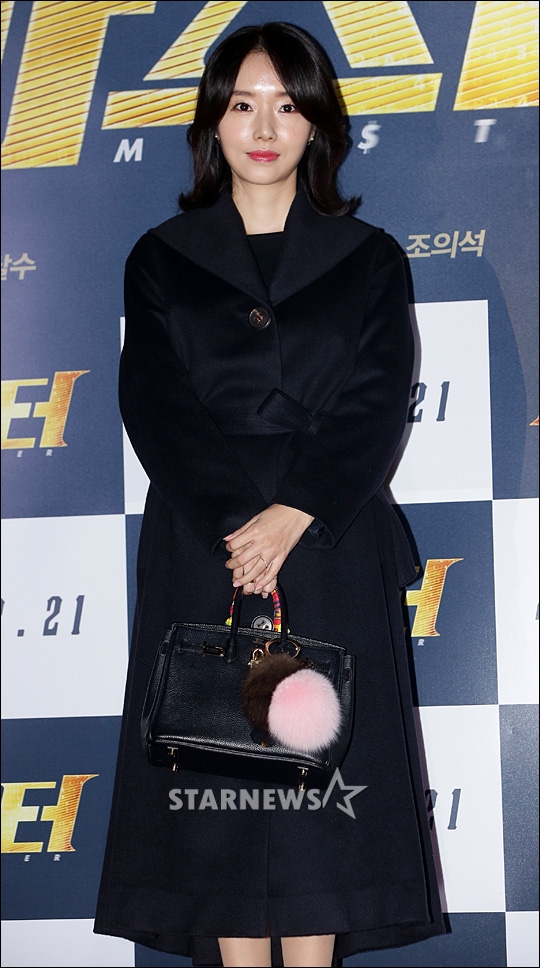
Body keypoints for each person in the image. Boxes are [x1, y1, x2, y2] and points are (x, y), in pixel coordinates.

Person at [94, 21, 445, 968]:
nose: (262, 127)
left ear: (317, 124)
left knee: (319, 797)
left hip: (329, 543)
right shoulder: (160, 256)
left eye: (287, 105)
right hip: (203, 548)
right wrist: (236, 525)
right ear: (213, 121)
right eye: (242, 104)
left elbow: (377, 399)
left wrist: (296, 509)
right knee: (218, 792)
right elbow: (154, 403)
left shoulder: (369, 256)